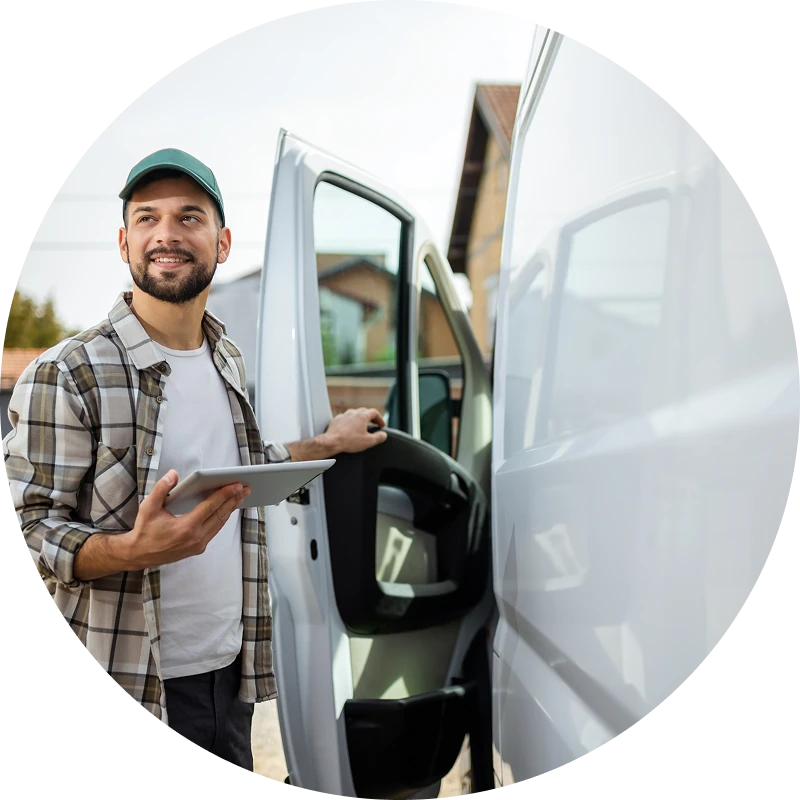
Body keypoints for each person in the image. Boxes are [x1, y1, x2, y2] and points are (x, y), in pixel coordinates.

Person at [2, 148, 388, 775]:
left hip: (228, 677)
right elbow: (27, 527)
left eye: (190, 217)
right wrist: (131, 549)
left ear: (223, 241)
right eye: (148, 218)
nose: (167, 234)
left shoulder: (225, 358)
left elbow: (242, 467)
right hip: (133, 676)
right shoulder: (68, 373)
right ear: (124, 241)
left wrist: (326, 444)